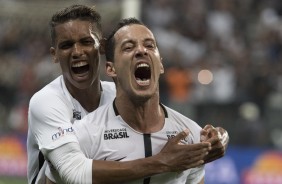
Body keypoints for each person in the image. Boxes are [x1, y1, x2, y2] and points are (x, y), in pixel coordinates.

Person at [27, 4, 228, 184]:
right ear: (54, 54)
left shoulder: (120, 93)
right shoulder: (47, 102)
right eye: (66, 45)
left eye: (86, 41)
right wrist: (162, 162)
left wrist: (220, 136)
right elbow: (73, 172)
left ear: (102, 47)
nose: (77, 52)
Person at [61, 17, 209, 184]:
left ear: (160, 65)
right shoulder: (85, 134)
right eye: (128, 47)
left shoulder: (191, 135)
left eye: (149, 45)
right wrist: (162, 162)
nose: (141, 51)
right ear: (111, 68)